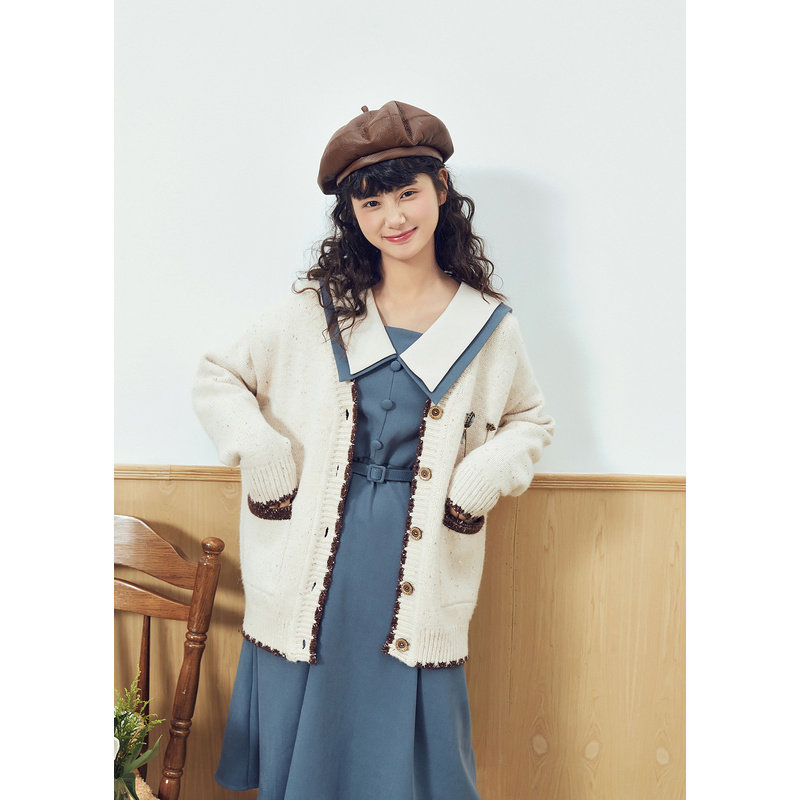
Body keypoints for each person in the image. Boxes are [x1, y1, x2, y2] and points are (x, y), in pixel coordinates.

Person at [192, 100, 555, 800]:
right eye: (372, 202)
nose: (394, 217)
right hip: (312, 555)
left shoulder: (488, 325)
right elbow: (219, 377)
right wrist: (261, 453)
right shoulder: (318, 310)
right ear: (352, 215)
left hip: (417, 565)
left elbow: (530, 420)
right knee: (311, 721)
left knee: (408, 748)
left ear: (441, 191)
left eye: (407, 193)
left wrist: (482, 476)